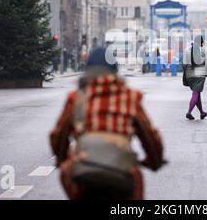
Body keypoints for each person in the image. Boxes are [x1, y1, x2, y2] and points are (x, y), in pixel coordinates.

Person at [50, 47, 165, 200]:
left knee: (67, 172)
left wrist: (61, 159)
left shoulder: (76, 98)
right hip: (121, 170)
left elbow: (58, 135)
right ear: (114, 70)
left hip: (84, 170)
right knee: (135, 181)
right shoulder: (130, 97)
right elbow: (150, 136)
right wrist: (154, 161)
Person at [183, 35, 207, 120]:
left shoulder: (187, 50)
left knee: (197, 93)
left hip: (189, 72)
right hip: (199, 72)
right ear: (201, 42)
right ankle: (189, 112)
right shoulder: (203, 50)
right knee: (196, 93)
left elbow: (184, 64)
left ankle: (202, 112)